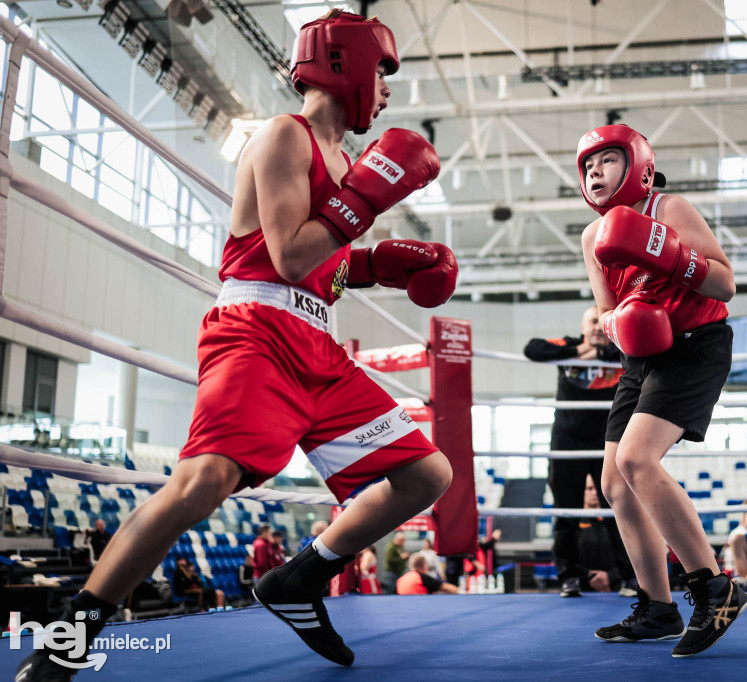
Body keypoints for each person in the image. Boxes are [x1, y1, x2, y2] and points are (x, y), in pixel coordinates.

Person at [17, 10, 458, 679]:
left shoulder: (343, 162)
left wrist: (376, 265)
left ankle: (298, 579)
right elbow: (284, 257)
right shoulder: (287, 136)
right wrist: (363, 206)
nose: (390, 90)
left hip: (318, 348)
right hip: (257, 332)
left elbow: (325, 267)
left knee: (427, 475)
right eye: (387, 73)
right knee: (201, 486)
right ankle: (68, 644)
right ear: (348, 66)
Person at [578, 123, 747, 658]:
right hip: (641, 355)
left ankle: (715, 589)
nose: (595, 172)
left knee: (637, 461)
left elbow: (724, 283)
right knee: (615, 482)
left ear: (638, 166)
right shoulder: (592, 237)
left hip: (696, 344)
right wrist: (619, 323)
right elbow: (605, 310)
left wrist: (672, 258)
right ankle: (657, 608)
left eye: (606, 160)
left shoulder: (669, 209)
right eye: (587, 166)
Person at [523, 306, 634, 598]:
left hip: (606, 441)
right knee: (566, 512)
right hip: (566, 442)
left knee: (618, 509)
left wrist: (597, 354)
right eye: (593, 321)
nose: (598, 327)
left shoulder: (620, 347)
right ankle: (569, 577)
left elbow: (626, 355)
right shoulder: (569, 345)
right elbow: (532, 349)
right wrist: (580, 350)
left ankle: (629, 577)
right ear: (583, 327)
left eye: (602, 322)